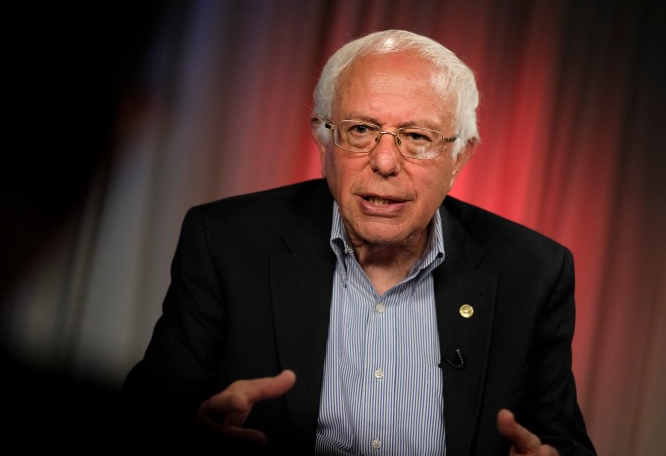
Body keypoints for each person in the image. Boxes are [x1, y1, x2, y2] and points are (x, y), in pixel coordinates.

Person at [119, 29, 596, 455]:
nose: (385, 162)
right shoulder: (226, 241)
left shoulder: (533, 272)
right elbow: (148, 414)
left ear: (460, 156)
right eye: (362, 130)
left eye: (417, 136)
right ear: (323, 141)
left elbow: (563, 442)